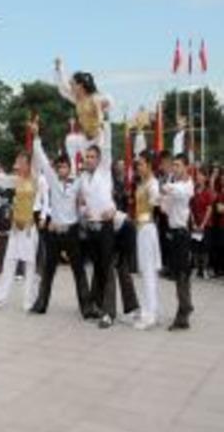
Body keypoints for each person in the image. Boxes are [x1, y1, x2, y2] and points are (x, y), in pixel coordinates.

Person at [29, 128, 95, 318]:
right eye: (59, 167)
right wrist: (36, 137)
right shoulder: (52, 180)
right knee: (48, 271)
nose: (62, 170)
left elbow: (89, 191)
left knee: (79, 271)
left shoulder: (77, 182)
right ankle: (41, 304)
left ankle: (87, 307)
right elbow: (41, 158)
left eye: (65, 167)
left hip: (72, 231)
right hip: (55, 232)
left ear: (70, 168)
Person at [0, 151, 43, 312]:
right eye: (18, 161)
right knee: (9, 262)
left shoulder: (37, 180)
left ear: (29, 164)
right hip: (16, 227)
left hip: (30, 227)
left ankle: (29, 300)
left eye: (22, 161)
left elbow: (40, 204)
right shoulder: (16, 180)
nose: (18, 165)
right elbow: (1, 180)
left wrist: (33, 220)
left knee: (30, 265)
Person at [78, 124, 122, 329]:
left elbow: (107, 148)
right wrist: (82, 211)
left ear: (99, 159)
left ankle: (109, 313)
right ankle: (96, 305)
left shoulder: (104, 172)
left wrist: (102, 125)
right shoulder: (83, 178)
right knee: (97, 268)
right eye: (86, 157)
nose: (88, 160)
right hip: (91, 228)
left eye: (92, 157)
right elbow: (78, 201)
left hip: (105, 227)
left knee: (107, 268)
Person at [161, 154, 195, 331]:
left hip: (182, 234)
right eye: (173, 165)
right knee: (178, 274)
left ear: (186, 167)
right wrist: (166, 195)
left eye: (178, 165)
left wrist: (167, 187)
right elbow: (164, 208)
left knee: (181, 274)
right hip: (173, 233)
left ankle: (183, 313)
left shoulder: (187, 186)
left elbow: (171, 189)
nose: (174, 168)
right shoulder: (176, 186)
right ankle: (186, 307)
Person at [132, 152, 162, 330]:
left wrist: (157, 197)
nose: (138, 167)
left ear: (150, 165)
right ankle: (150, 309)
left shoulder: (153, 183)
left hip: (147, 228)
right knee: (145, 271)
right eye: (138, 165)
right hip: (141, 228)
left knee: (149, 271)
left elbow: (156, 202)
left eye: (141, 164)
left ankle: (150, 314)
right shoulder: (143, 183)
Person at [54, 57, 112, 143]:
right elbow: (63, 88)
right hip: (86, 137)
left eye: (72, 83)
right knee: (70, 140)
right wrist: (59, 69)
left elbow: (108, 102)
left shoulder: (95, 98)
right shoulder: (77, 99)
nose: (70, 86)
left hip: (99, 138)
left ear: (80, 85)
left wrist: (107, 103)